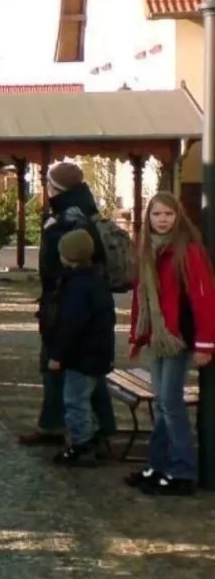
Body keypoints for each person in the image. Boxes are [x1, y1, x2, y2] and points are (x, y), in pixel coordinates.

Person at [124, 191, 215, 496]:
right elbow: (141, 297)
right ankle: (159, 465)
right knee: (162, 403)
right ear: (148, 218)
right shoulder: (148, 250)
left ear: (178, 217)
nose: (162, 220)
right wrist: (137, 336)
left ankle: (181, 470)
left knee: (170, 403)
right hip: (158, 337)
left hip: (177, 339)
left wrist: (205, 344)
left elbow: (204, 299)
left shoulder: (187, 250)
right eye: (156, 214)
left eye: (168, 214)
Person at [24, 162, 118, 445]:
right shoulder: (83, 210)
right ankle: (93, 425)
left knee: (64, 363)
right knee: (85, 366)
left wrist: (51, 231)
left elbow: (66, 261)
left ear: (57, 188)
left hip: (67, 300)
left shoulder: (69, 218)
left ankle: (69, 428)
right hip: (72, 298)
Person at [46, 228, 115, 467]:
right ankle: (94, 434)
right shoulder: (96, 280)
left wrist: (57, 355)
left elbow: (71, 325)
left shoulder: (76, 286)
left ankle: (81, 443)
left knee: (75, 400)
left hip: (82, 355)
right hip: (97, 352)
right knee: (87, 395)